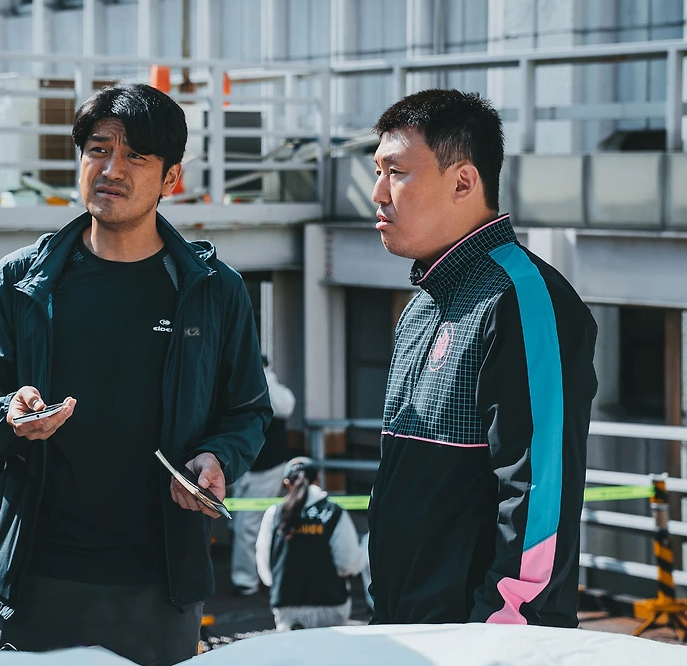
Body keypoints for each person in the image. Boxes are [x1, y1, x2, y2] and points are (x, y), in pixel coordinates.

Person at [0, 83, 272, 666]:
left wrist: (218, 458)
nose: (111, 169)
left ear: (171, 178)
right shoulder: (19, 280)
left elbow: (247, 411)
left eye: (136, 156)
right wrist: (6, 415)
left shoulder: (214, 290)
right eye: (98, 150)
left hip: (160, 584)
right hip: (33, 577)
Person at [366, 89, 597, 626]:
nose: (377, 192)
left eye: (396, 172)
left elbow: (539, 493)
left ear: (464, 182)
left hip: (484, 640)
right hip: (407, 629)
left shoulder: (523, 298)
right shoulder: (421, 306)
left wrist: (497, 636)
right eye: (377, 171)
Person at [256, 457, 365, 630]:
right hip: (331, 602)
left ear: (286, 483)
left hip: (287, 604)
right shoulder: (333, 512)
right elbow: (350, 563)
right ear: (318, 479)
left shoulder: (275, 514)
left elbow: (265, 565)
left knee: (292, 648)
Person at [231, 355, 297, 597]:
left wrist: (263, 376)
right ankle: (253, 576)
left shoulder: (270, 387)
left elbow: (285, 406)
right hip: (243, 465)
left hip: (266, 466)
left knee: (248, 526)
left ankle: (247, 580)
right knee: (241, 523)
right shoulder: (237, 384)